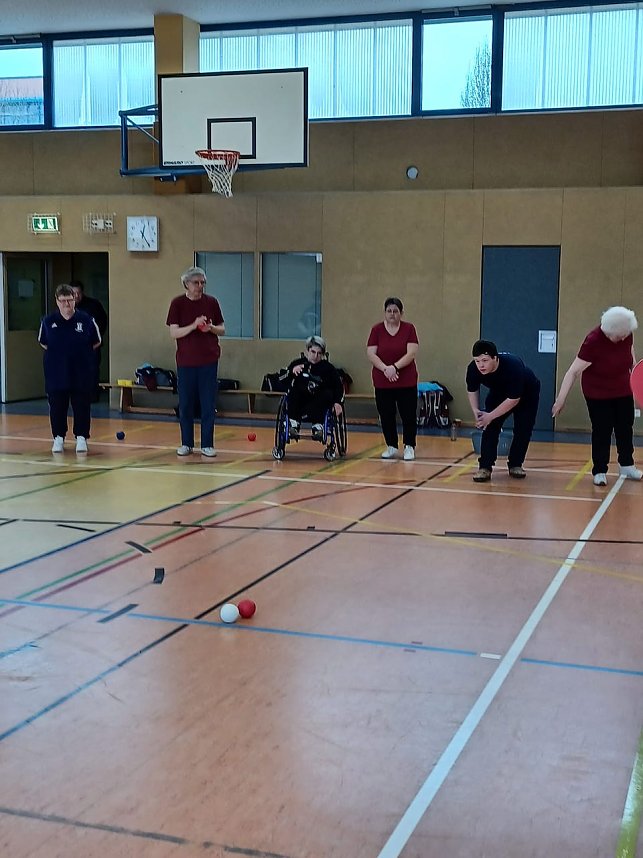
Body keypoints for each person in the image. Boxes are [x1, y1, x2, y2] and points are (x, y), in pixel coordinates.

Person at [552, 306, 641, 486]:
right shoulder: (593, 342)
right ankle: (600, 470)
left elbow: (629, 354)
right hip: (597, 392)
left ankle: (627, 464)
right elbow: (573, 372)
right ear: (609, 331)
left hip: (622, 388)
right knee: (602, 430)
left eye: (626, 334)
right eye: (620, 335)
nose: (624, 337)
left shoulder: (625, 334)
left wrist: (636, 378)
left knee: (625, 426)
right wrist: (560, 400)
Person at [166, 266, 225, 457]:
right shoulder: (177, 304)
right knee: (186, 404)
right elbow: (174, 332)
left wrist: (211, 328)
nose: (200, 286)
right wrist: (193, 325)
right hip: (186, 362)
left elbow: (222, 329)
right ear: (186, 284)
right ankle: (187, 443)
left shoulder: (212, 302)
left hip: (209, 360)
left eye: (202, 283)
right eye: (196, 283)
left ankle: (207, 444)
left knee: (208, 404)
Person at [38, 283, 101, 454]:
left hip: (81, 372)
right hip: (56, 373)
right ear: (57, 301)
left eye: (70, 300)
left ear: (75, 300)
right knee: (57, 406)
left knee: (81, 405)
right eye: (63, 300)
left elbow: (96, 342)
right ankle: (58, 437)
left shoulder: (86, 320)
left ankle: (81, 437)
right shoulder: (48, 321)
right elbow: (43, 343)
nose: (67, 304)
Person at [466, 340, 541, 482]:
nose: (481, 365)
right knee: (490, 427)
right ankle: (485, 467)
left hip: (526, 393)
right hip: (499, 392)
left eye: (485, 360)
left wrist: (490, 416)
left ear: (495, 358)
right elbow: (472, 389)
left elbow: (514, 399)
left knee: (523, 429)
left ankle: (515, 464)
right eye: (477, 361)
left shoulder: (513, 366)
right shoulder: (473, 369)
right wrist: (476, 411)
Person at [366, 297, 419, 460]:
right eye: (389, 311)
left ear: (401, 313)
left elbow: (411, 352)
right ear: (385, 312)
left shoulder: (409, 329)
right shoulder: (376, 330)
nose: (392, 314)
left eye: (395, 311)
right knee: (386, 414)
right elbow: (370, 353)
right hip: (383, 380)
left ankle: (409, 446)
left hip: (406, 380)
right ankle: (391, 446)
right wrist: (385, 369)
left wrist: (394, 367)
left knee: (408, 414)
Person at [285, 336, 344, 440]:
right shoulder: (297, 364)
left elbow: (338, 387)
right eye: (313, 352)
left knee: (328, 394)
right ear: (307, 350)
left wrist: (338, 402)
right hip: (300, 402)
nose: (315, 356)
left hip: (318, 404)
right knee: (294, 390)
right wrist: (291, 371)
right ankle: (293, 424)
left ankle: (317, 426)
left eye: (319, 353)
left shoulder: (328, 368)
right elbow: (282, 379)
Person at [70, 280, 108, 403]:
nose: (76, 296)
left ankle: (92, 397)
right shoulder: (66, 306)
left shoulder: (93, 305)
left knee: (91, 370)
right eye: (73, 293)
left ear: (82, 292)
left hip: (91, 345)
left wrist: (96, 339)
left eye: (78, 293)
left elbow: (102, 322)